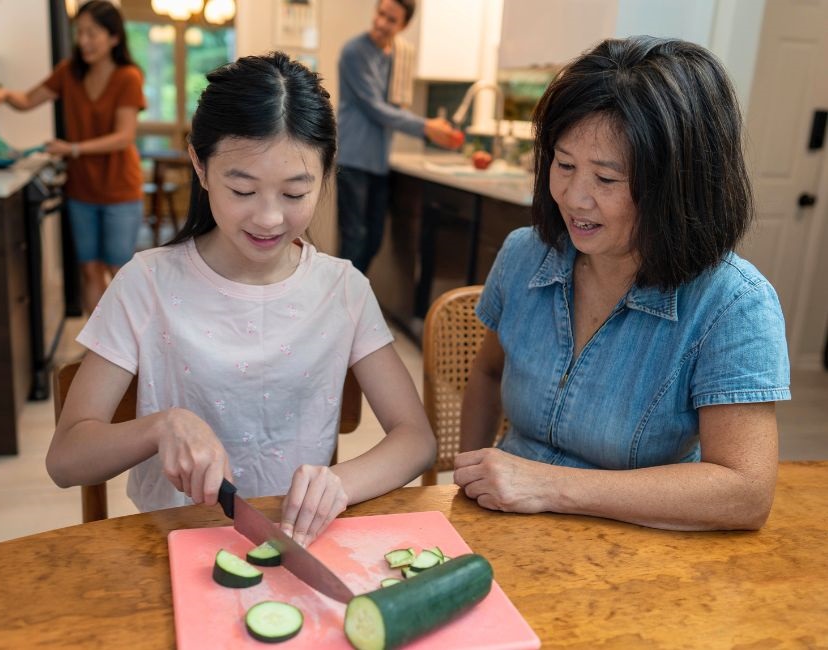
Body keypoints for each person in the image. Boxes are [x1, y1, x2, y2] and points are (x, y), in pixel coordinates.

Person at [46, 52, 437, 546]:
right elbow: (66, 459)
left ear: (326, 174)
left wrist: (340, 482)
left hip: (298, 540)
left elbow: (416, 439)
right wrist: (160, 427)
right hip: (169, 544)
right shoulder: (146, 283)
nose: (269, 218)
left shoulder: (342, 289)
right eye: (242, 189)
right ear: (200, 166)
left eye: (295, 194)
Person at [453, 36, 791, 532]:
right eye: (563, 165)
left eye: (606, 180)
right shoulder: (525, 255)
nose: (574, 197)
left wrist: (549, 486)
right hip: (509, 529)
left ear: (678, 187)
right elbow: (485, 376)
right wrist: (471, 477)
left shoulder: (734, 304)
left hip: (636, 552)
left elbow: (745, 491)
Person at [0, 0, 145, 316]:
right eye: (79, 32)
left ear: (113, 37)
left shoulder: (128, 77)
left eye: (92, 33)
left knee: (119, 273)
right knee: (89, 270)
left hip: (119, 192)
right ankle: (98, 348)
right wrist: (2, 95)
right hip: (81, 191)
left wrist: (72, 149)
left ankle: (130, 349)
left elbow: (124, 137)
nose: (83, 40)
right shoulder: (68, 73)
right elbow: (28, 100)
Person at [337, 0, 462, 273]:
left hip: (379, 162)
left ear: (403, 25)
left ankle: (352, 299)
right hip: (353, 160)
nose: (382, 23)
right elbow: (376, 108)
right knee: (354, 238)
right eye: (381, 14)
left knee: (374, 239)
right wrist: (426, 126)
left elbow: (392, 108)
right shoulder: (354, 52)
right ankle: (340, 307)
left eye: (391, 19)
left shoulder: (397, 56)